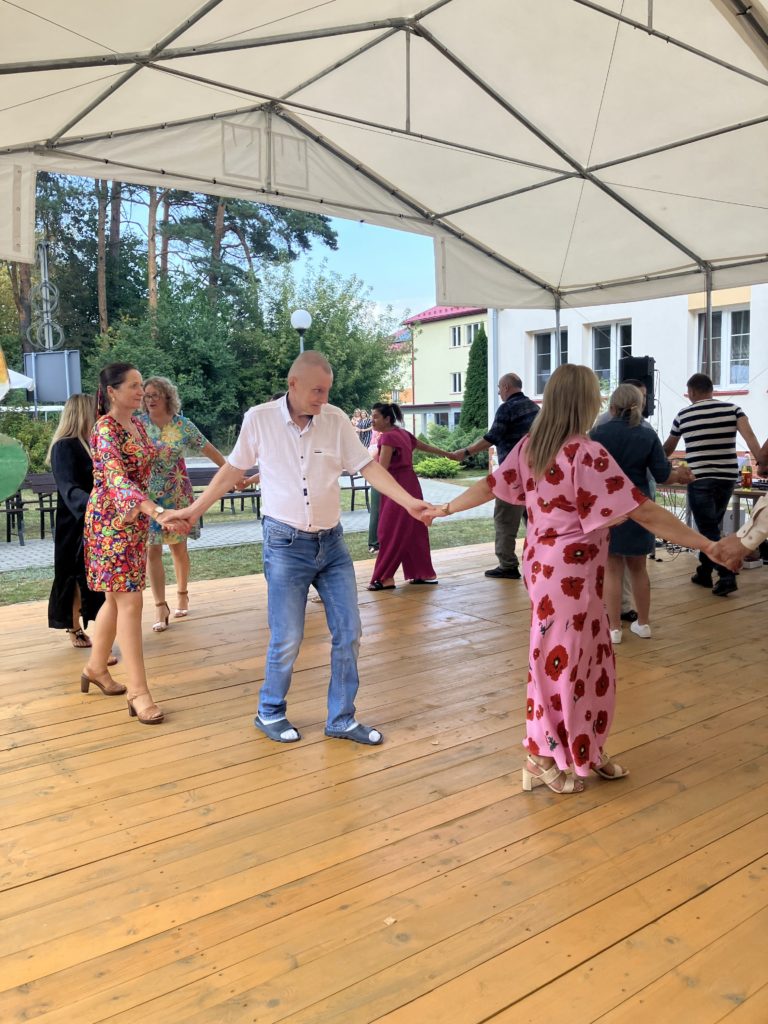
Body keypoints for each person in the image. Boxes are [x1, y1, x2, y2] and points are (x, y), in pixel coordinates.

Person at [425, 364, 730, 794]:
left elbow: (491, 485)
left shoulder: (534, 446)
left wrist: (445, 509)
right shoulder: (584, 453)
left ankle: (584, 747)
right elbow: (643, 511)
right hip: (568, 575)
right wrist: (706, 544)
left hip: (553, 569)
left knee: (587, 660)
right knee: (562, 664)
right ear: (585, 402)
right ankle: (540, 756)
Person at [164, 351, 434, 746]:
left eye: (327, 391)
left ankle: (341, 718)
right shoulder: (259, 419)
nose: (323, 398)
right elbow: (233, 470)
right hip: (285, 544)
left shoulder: (335, 420)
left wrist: (409, 503)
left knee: (350, 632)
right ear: (293, 384)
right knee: (287, 637)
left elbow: (368, 467)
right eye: (316, 391)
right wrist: (193, 510)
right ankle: (270, 711)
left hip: (332, 544)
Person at [81, 363, 185, 722]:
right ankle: (139, 692)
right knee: (130, 600)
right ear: (112, 391)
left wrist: (159, 506)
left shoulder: (138, 425)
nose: (142, 391)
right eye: (134, 386)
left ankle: (96, 667)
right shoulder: (104, 428)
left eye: (142, 385)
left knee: (116, 597)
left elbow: (148, 470)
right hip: (109, 522)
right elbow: (115, 477)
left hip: (134, 520)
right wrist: (154, 509)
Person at [592, 384, 693, 644]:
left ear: (612, 407)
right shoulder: (647, 434)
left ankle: (614, 628)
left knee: (612, 568)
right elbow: (662, 475)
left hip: (608, 506)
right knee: (639, 568)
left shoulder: (597, 433)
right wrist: (680, 476)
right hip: (638, 505)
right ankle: (644, 623)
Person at [140, 376, 228, 631]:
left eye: (155, 395)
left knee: (178, 548)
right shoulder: (138, 424)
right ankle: (160, 606)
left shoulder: (182, 425)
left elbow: (209, 449)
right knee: (152, 550)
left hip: (177, 496)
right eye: (147, 395)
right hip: (148, 499)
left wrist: (231, 473)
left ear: (167, 397)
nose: (150, 400)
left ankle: (182, 594)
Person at [663, 373, 762, 597]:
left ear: (692, 392)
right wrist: (762, 463)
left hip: (700, 478)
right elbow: (750, 437)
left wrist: (655, 464)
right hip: (727, 478)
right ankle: (704, 572)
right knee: (711, 526)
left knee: (708, 528)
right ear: (711, 389)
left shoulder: (683, 414)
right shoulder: (734, 410)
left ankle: (727, 576)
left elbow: (668, 447)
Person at [47, 394, 115, 664]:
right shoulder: (64, 446)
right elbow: (69, 488)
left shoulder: (93, 443)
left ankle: (103, 638)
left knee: (96, 578)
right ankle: (74, 627)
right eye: (94, 411)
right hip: (74, 522)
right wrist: (97, 506)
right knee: (74, 576)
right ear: (82, 412)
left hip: (96, 519)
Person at [453, 372, 539, 580]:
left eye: (500, 388)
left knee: (505, 520)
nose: (499, 392)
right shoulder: (535, 408)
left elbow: (492, 437)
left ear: (507, 387)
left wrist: (465, 452)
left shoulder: (507, 408)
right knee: (534, 519)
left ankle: (507, 565)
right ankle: (539, 559)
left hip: (512, 475)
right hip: (534, 474)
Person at [367, 402, 459, 590]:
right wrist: (449, 454)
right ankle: (424, 574)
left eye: (375, 417)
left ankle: (384, 577)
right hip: (411, 485)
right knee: (414, 530)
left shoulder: (388, 437)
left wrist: (365, 465)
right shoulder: (403, 434)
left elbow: (381, 471)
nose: (372, 420)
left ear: (387, 419)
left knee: (389, 530)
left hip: (396, 488)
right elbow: (427, 447)